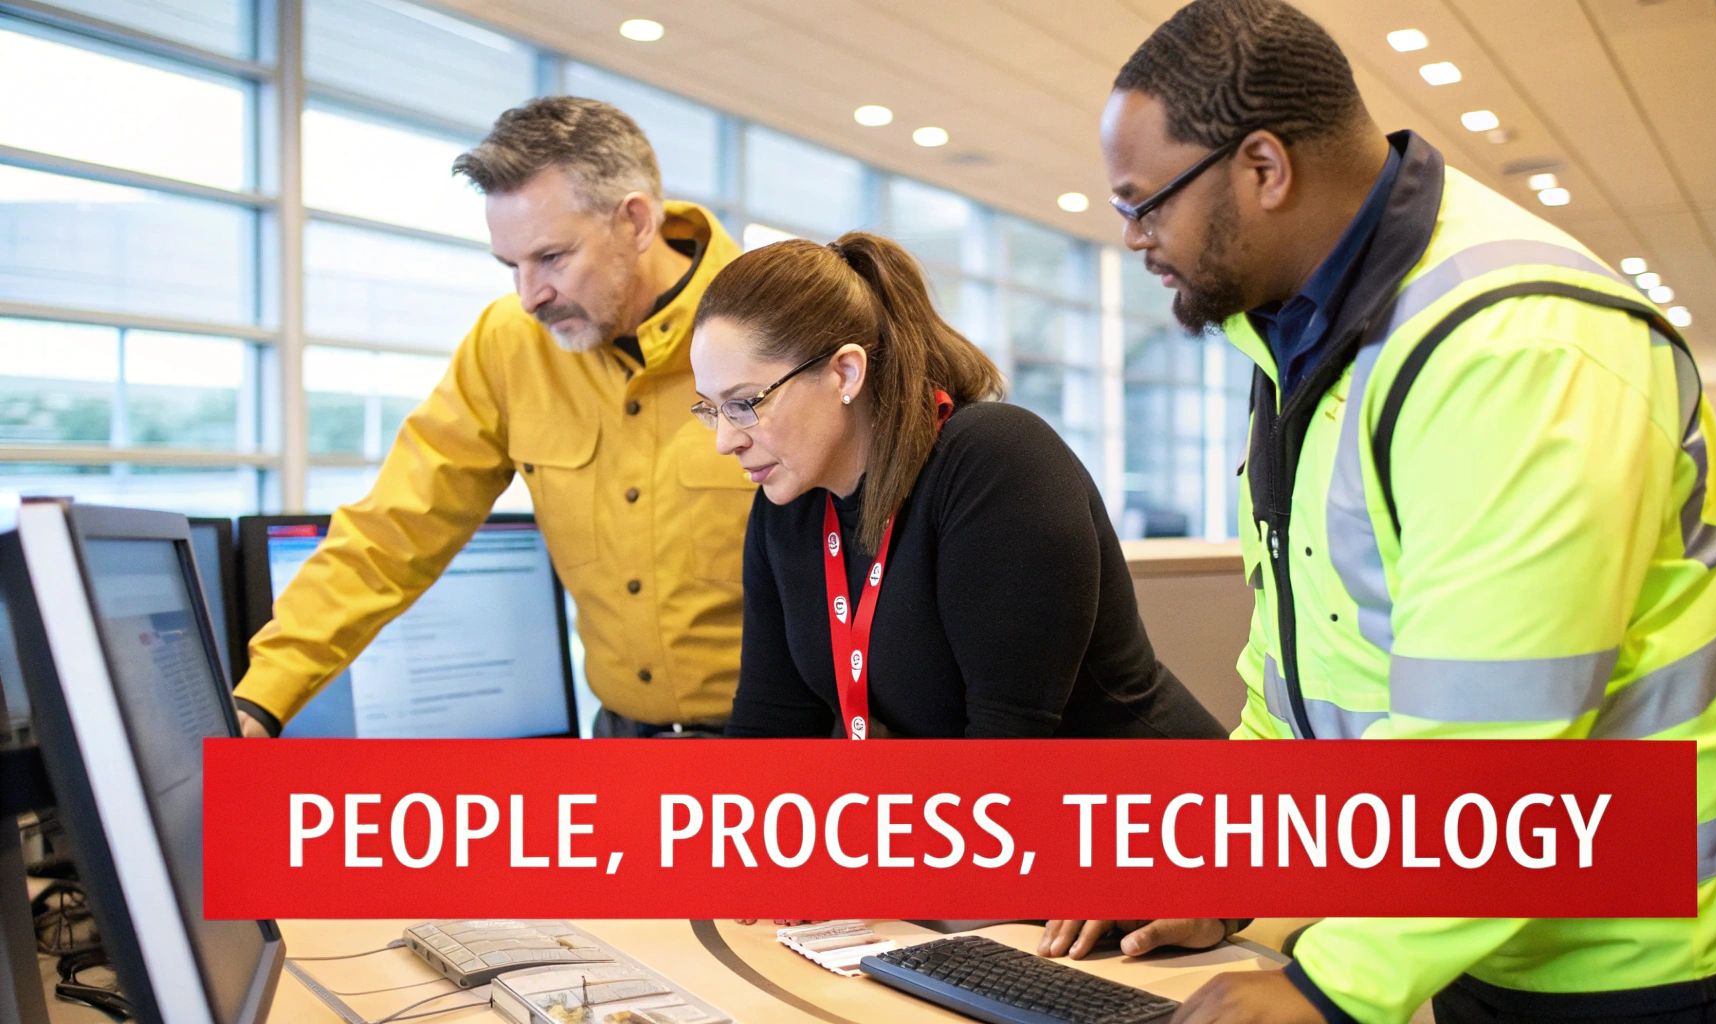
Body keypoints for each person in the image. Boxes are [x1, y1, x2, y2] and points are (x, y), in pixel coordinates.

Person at [1048, 1, 1716, 1021]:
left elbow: (1494, 728)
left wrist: (1325, 986)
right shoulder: (1300, 342)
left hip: (1676, 941)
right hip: (1495, 924)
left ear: (1263, 168)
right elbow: (1308, 681)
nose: (1135, 239)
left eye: (1142, 204)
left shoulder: (1510, 347)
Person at [232, 97, 751, 740]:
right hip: (624, 742)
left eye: (552, 258)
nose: (530, 296)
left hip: (793, 743)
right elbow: (395, 531)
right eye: (512, 266)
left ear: (636, 222)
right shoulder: (509, 344)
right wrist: (260, 700)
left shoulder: (778, 325)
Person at [689, 232, 1224, 741]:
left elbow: (1007, 746)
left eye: (745, 403)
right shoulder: (788, 508)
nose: (725, 440)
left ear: (845, 373)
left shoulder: (995, 462)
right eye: (710, 409)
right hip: (990, 814)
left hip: (1150, 810)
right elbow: (771, 724)